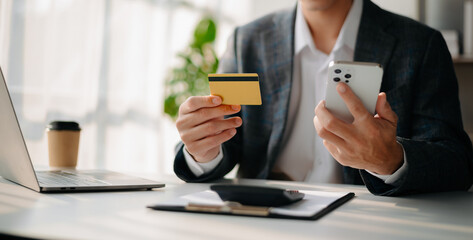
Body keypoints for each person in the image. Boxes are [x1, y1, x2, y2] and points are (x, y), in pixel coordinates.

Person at [173, 0, 473, 195]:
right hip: (263, 218)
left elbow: (457, 162)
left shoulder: (420, 44)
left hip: (365, 223)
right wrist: (202, 150)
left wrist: (390, 160)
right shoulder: (248, 40)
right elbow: (226, 139)